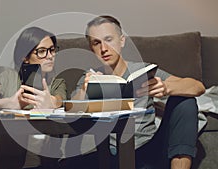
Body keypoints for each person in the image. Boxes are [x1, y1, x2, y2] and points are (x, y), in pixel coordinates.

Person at [72, 15, 205, 169]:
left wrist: (166, 87)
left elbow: (197, 87)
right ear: (91, 48)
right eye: (96, 43)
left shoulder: (143, 71)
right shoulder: (90, 77)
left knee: (185, 101)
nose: (103, 49)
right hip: (110, 153)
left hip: (147, 149)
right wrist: (83, 90)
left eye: (109, 39)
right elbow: (71, 108)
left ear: (122, 41)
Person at [0, 26, 67, 168]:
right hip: (7, 157)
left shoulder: (57, 81)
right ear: (25, 57)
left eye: (52, 50)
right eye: (42, 51)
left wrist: (52, 103)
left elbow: (60, 99)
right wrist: (7, 103)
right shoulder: (9, 77)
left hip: (45, 159)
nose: (50, 56)